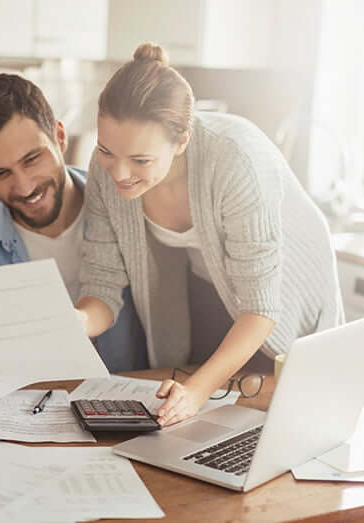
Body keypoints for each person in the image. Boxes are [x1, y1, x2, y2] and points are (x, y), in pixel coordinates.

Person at [76, 43, 344, 427]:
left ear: (182, 141)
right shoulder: (108, 169)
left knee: (274, 404)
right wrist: (76, 321)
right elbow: (101, 285)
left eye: (141, 160)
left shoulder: (236, 159)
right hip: (208, 275)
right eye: (106, 151)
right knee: (200, 407)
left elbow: (260, 307)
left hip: (284, 286)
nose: (118, 173)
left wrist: (198, 391)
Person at [0, 73, 146, 409]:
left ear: (60, 135)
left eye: (32, 159)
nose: (24, 187)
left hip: (128, 410)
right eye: (0, 173)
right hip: (19, 416)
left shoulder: (123, 207)